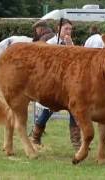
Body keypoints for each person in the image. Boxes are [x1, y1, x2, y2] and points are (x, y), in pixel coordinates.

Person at [31, 18, 82, 151]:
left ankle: (77, 144)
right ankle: (35, 137)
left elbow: (76, 62)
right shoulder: (50, 43)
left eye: (70, 29)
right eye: (66, 28)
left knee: (74, 110)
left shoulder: (70, 43)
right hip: (53, 84)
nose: (69, 31)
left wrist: (71, 46)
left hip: (68, 85)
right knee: (47, 110)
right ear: (59, 29)